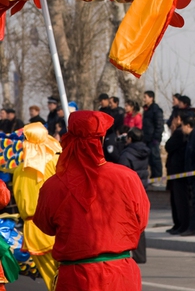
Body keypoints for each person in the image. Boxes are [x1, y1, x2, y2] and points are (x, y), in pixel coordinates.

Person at [34, 110, 150, 291]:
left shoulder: (54, 185)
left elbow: (44, 225)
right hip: (121, 275)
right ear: (101, 140)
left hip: (76, 278)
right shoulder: (127, 177)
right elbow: (141, 221)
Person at [12, 122, 61, 290]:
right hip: (56, 226)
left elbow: (19, 200)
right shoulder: (56, 161)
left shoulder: (19, 170)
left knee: (52, 280)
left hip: (34, 230)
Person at [118, 127, 149, 264]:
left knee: (127, 222)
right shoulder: (144, 151)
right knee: (140, 223)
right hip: (142, 189)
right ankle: (140, 255)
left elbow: (122, 175)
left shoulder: (127, 154)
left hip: (129, 192)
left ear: (130, 138)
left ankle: (124, 251)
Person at [165, 108, 189, 235]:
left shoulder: (179, 133)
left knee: (180, 201)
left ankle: (182, 224)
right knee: (175, 200)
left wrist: (173, 131)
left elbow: (168, 146)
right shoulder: (178, 132)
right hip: (174, 171)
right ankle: (177, 224)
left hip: (179, 171)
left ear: (178, 119)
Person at [142, 91, 164, 179]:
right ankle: (153, 176)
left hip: (153, 139)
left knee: (155, 159)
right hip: (147, 138)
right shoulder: (146, 109)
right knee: (149, 159)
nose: (144, 99)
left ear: (151, 98)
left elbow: (159, 125)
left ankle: (158, 177)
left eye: (145, 97)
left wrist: (156, 138)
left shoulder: (156, 109)